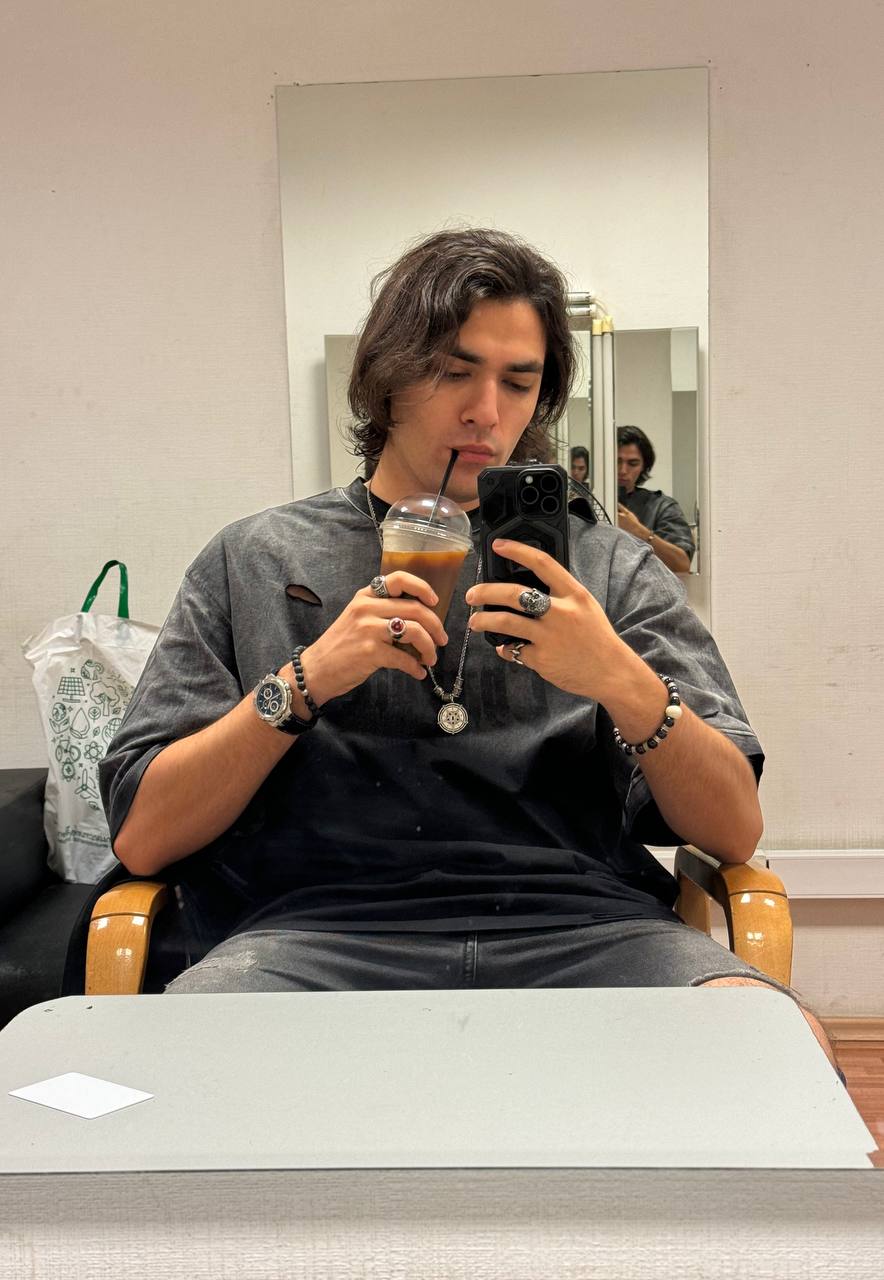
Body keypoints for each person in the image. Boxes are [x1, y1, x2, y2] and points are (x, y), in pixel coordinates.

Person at [99, 227, 835, 1069]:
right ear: (387, 375)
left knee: (783, 1054)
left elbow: (734, 831)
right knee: (165, 1083)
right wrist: (304, 682)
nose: (488, 411)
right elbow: (144, 841)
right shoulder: (257, 560)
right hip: (312, 935)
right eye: (455, 371)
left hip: (589, 929)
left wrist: (620, 681)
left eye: (518, 382)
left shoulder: (607, 568)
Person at [616, 424, 695, 574]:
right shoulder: (584, 503)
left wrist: (638, 531)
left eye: (632, 463)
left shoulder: (662, 507)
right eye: (617, 461)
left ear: (643, 467)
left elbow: (682, 565)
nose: (623, 470)